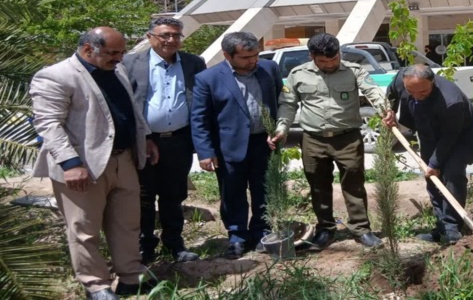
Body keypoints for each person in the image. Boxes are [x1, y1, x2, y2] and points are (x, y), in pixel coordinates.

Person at [30, 27, 159, 300]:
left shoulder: (117, 70)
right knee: (84, 229)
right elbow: (48, 124)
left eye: (122, 52)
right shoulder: (55, 76)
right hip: (82, 167)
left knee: (127, 224)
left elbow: (130, 109)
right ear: (89, 49)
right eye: (113, 53)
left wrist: (145, 138)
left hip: (123, 160)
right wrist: (70, 163)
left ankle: (130, 277)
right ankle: (96, 285)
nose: (119, 59)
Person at [271, 33, 384, 250]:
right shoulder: (298, 74)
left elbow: (372, 91)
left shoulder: (354, 70)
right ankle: (325, 229)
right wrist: (282, 127)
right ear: (312, 56)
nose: (330, 64)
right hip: (313, 140)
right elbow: (287, 104)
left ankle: (361, 229)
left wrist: (384, 109)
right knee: (318, 186)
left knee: (354, 184)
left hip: (348, 138)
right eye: (324, 61)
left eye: (334, 59)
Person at [191, 32, 283, 259]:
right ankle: (237, 237)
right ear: (227, 55)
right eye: (246, 57)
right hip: (228, 147)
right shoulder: (208, 78)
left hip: (264, 144)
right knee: (232, 193)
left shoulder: (269, 69)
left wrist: (280, 129)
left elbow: (281, 100)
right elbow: (200, 118)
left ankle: (261, 232)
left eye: (256, 55)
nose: (253, 61)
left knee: (264, 190)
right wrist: (206, 151)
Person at [124, 17, 206, 264]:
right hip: (144, 142)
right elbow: (126, 104)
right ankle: (144, 246)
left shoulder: (194, 63)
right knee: (143, 196)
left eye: (176, 36)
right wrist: (146, 137)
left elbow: (200, 103)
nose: (171, 40)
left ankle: (175, 243)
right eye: (165, 35)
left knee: (174, 195)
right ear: (150, 37)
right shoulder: (130, 62)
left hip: (178, 142)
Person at [382, 64, 473, 244]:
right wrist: (391, 111)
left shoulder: (451, 101)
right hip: (428, 132)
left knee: (451, 175)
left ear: (433, 82)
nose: (417, 96)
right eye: (411, 91)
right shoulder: (401, 79)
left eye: (423, 92)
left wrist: (435, 164)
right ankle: (441, 227)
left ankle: (452, 229)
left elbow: (449, 137)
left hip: (459, 137)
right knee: (431, 178)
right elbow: (391, 93)